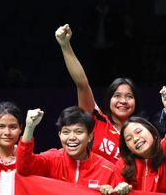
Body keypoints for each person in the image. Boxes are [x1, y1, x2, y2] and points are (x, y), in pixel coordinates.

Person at [54, 23, 138, 180]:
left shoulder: (141, 135)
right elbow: (82, 83)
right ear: (109, 99)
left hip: (122, 194)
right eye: (117, 96)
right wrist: (66, 46)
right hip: (89, 189)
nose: (123, 101)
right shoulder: (96, 121)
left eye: (129, 96)